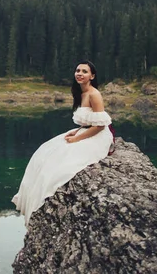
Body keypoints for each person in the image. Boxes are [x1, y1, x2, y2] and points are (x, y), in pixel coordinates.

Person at [11, 60, 114, 226]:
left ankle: (43, 200)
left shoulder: (94, 94)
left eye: (84, 71)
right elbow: (89, 120)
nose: (80, 73)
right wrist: (78, 130)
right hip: (87, 130)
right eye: (78, 70)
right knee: (44, 152)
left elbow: (100, 126)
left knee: (62, 163)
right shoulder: (80, 92)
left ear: (92, 76)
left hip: (98, 135)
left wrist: (78, 138)